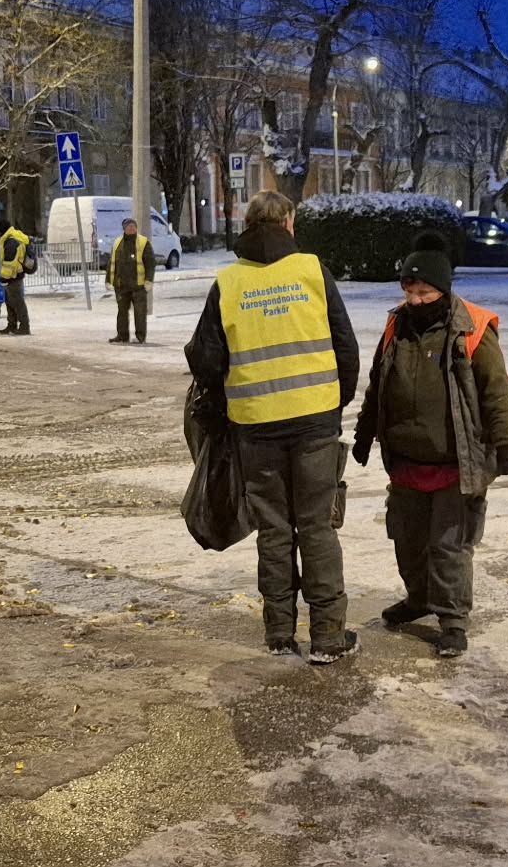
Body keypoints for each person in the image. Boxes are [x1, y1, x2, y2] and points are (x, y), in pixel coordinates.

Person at [186, 190, 361, 664]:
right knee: (318, 526)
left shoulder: (228, 283)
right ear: (287, 224)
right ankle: (327, 637)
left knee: (274, 528)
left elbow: (205, 359)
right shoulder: (313, 272)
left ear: (248, 225)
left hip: (255, 427)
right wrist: (333, 403)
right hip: (315, 423)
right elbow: (345, 347)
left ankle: (280, 633)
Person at [352, 235, 508, 659]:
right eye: (409, 291)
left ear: (443, 289)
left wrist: (506, 443)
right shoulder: (396, 326)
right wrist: (364, 433)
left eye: (424, 292)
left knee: (449, 546)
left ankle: (452, 619)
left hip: (454, 460)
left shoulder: (471, 330)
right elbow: (378, 384)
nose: (415, 300)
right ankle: (419, 597)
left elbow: (496, 392)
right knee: (407, 541)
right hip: (406, 459)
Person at [107, 217, 156, 344]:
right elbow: (112, 263)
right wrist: (109, 280)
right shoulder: (117, 243)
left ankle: (140, 337)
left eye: (133, 226)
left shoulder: (143, 242)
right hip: (121, 285)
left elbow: (150, 263)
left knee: (140, 313)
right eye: (129, 227)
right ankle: (122, 335)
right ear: (124, 229)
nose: (132, 228)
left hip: (138, 286)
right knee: (122, 312)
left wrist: (149, 280)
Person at [0, 217, 32, 336]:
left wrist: (4, 276)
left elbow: (9, 262)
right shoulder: (8, 239)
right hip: (12, 276)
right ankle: (12, 325)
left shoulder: (11, 241)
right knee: (10, 302)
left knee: (18, 302)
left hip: (14, 276)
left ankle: (24, 326)